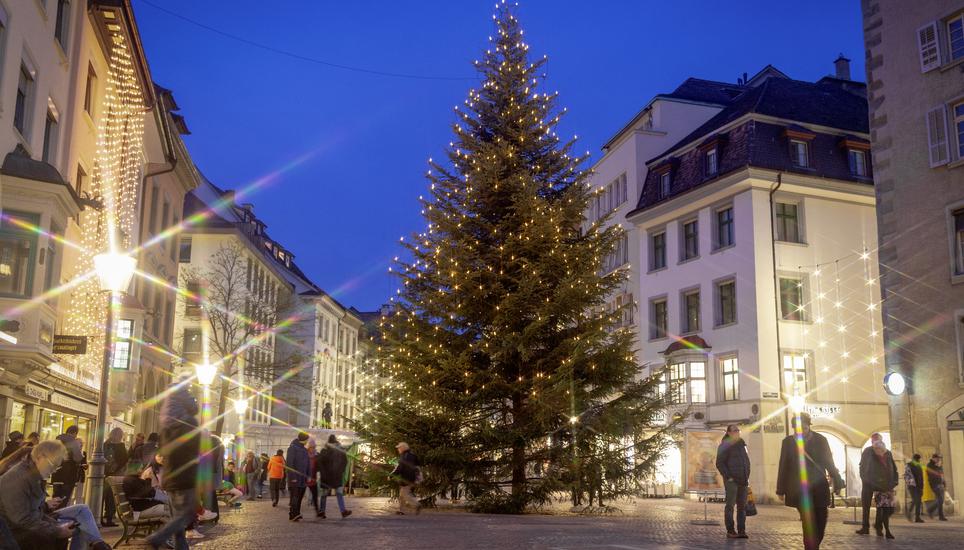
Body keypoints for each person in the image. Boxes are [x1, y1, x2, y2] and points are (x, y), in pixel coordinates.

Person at [0, 440, 111, 550]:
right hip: (15, 533)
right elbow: (23, 520)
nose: (54, 471)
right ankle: (99, 545)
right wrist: (57, 530)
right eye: (53, 465)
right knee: (79, 525)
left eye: (57, 467)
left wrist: (48, 509)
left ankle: (98, 544)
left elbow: (31, 511)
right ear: (40, 457)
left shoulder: (33, 474)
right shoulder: (18, 478)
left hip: (27, 526)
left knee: (79, 519)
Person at [146, 375, 201, 550]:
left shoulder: (166, 423)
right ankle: (158, 537)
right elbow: (196, 450)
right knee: (187, 514)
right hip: (186, 475)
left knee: (178, 516)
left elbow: (161, 451)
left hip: (169, 475)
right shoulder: (189, 422)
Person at [776, 413, 843, 550]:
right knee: (808, 523)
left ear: (809, 426)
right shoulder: (788, 442)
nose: (801, 432)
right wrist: (781, 489)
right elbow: (783, 465)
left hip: (819, 486)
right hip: (800, 489)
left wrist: (837, 480)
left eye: (804, 428)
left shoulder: (821, 440)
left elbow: (829, 462)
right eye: (798, 429)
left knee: (821, 520)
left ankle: (813, 546)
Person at [856, 432, 897, 535]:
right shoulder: (867, 451)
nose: (875, 441)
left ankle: (878, 526)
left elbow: (892, 466)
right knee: (866, 506)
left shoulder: (887, 452)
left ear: (881, 440)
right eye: (873, 439)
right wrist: (864, 479)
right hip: (868, 483)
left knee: (882, 507)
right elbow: (862, 466)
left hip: (882, 484)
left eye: (877, 439)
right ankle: (865, 527)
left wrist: (894, 480)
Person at [715, 424, 750, 539]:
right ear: (729, 433)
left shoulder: (742, 444)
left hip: (743, 480)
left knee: (742, 507)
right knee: (730, 506)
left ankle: (741, 530)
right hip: (732, 481)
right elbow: (719, 463)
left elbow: (746, 460)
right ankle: (730, 530)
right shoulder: (724, 445)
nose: (738, 432)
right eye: (735, 430)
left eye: (738, 430)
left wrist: (747, 474)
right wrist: (728, 477)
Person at [318, 434, 352, 519]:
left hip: (326, 477)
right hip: (337, 476)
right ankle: (343, 511)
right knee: (339, 494)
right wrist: (341, 471)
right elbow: (345, 462)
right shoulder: (340, 450)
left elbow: (320, 464)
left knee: (324, 495)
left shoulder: (324, 450)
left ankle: (322, 511)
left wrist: (322, 473)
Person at [102, 427, 130, 527]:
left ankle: (101, 517)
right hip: (116, 474)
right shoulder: (121, 446)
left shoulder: (105, 444)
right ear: (120, 435)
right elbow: (125, 460)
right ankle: (109, 517)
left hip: (104, 473)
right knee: (112, 496)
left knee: (103, 496)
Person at [871, 439, 897, 539]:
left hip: (889, 487)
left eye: (879, 448)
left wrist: (895, 481)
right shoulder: (873, 460)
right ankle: (886, 531)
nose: (878, 450)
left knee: (890, 509)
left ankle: (878, 525)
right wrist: (879, 485)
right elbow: (872, 474)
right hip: (880, 488)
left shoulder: (888, 457)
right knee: (883, 510)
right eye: (876, 449)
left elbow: (894, 470)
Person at [51, 425, 83, 500]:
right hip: (69, 475)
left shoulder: (57, 439)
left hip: (56, 474)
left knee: (55, 498)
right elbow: (77, 458)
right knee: (64, 499)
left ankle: (54, 511)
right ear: (75, 433)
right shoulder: (73, 441)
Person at [286, 432, 311, 522]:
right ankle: (293, 514)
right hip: (295, 478)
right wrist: (292, 477)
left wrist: (308, 475)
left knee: (300, 496)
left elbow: (308, 464)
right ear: (303, 440)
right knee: (295, 496)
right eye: (307, 440)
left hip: (303, 478)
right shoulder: (292, 448)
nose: (307, 441)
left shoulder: (304, 450)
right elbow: (289, 464)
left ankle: (297, 513)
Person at [391, 441, 421, 515]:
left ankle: (416, 505)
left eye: (399, 448)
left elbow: (400, 467)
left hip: (406, 478)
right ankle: (401, 510)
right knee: (402, 495)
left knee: (405, 494)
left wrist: (392, 475)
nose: (398, 450)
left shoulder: (404, 456)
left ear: (402, 448)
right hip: (412, 477)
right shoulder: (412, 455)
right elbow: (418, 465)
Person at [903, 453, 925, 523]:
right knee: (916, 500)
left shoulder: (918, 466)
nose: (919, 460)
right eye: (918, 459)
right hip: (912, 486)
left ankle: (916, 517)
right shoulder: (909, 465)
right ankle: (912, 514)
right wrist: (911, 484)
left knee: (917, 501)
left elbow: (921, 477)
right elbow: (907, 476)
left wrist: (921, 487)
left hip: (918, 486)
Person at [926, 453, 947, 521]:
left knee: (941, 500)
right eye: (937, 458)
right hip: (935, 484)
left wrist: (944, 483)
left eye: (939, 458)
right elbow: (931, 475)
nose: (939, 459)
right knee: (940, 499)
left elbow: (942, 475)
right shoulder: (929, 465)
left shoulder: (939, 465)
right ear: (933, 458)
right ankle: (941, 516)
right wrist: (936, 467)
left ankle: (930, 510)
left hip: (941, 484)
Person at [305, 440, 319, 513]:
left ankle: (317, 511)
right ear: (308, 447)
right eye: (311, 447)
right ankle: (295, 511)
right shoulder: (304, 454)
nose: (312, 449)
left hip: (313, 478)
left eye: (314, 447)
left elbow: (318, 466)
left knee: (315, 495)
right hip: (304, 478)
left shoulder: (316, 455)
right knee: (300, 496)